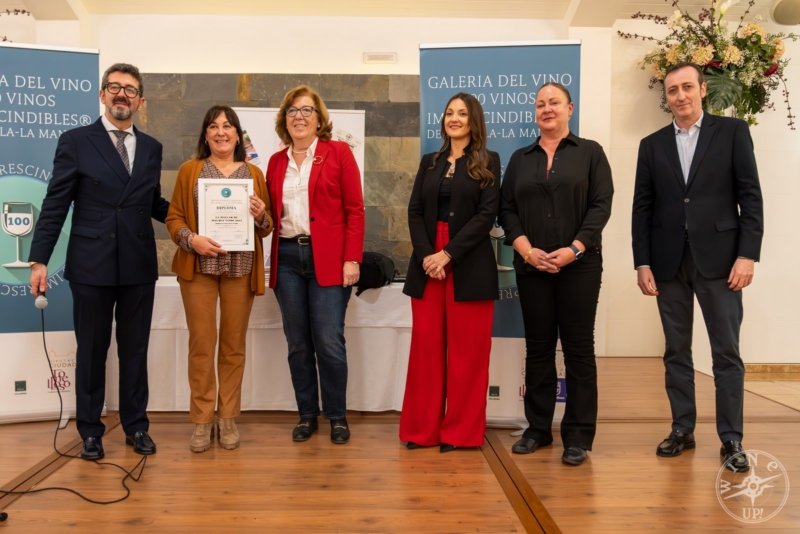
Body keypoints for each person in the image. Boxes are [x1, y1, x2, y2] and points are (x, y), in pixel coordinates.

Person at [28, 63, 169, 459]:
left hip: (138, 264)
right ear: (102, 94)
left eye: (131, 89)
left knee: (135, 350)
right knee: (91, 351)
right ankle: (90, 431)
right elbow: (56, 202)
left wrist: (196, 215)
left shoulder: (152, 148)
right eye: (114, 86)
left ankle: (136, 427)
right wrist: (39, 259)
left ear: (141, 101)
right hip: (91, 264)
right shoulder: (76, 141)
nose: (122, 94)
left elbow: (153, 202)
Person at [632, 63, 763, 473]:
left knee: (726, 353)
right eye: (672, 90)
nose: (680, 96)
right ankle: (682, 429)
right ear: (667, 97)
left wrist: (748, 254)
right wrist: (642, 262)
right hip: (668, 262)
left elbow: (750, 197)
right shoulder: (651, 145)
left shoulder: (733, 133)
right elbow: (642, 209)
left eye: (687, 87)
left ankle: (731, 438)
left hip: (722, 262)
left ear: (703, 90)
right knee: (676, 350)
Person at [499, 82, 613, 466]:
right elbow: (507, 210)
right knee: (539, 347)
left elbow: (600, 206)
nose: (547, 109)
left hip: (580, 266)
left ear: (570, 108)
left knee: (579, 349)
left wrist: (574, 249)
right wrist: (527, 251)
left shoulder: (591, 153)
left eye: (554, 103)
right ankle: (537, 429)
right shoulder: (520, 158)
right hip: (532, 267)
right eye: (540, 104)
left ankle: (578, 435)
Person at [166, 106, 272, 452]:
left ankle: (227, 417)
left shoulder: (254, 173)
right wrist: (191, 240)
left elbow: (267, 226)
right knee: (201, 344)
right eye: (213, 126)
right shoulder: (190, 170)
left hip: (240, 268)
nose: (221, 132)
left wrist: (261, 215)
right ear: (206, 134)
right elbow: (174, 219)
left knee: (233, 346)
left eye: (227, 126)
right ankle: (201, 419)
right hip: (199, 268)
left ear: (238, 135)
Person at [399, 93, 500, 452]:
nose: (454, 118)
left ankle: (460, 433)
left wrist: (448, 255)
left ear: (474, 121)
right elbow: (414, 211)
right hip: (427, 262)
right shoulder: (430, 162)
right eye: (449, 113)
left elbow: (486, 215)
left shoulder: (489, 161)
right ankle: (421, 430)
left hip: (467, 263)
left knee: (467, 354)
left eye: (462, 113)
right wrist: (429, 256)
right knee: (426, 350)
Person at [266, 85, 365, 444]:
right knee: (297, 343)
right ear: (285, 120)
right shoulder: (276, 162)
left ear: (319, 119)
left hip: (329, 259)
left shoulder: (338, 153)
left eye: (307, 110)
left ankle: (337, 416)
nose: (299, 116)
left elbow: (355, 210)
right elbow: (270, 216)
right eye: (293, 110)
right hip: (287, 259)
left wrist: (351, 258)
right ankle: (307, 415)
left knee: (328, 341)